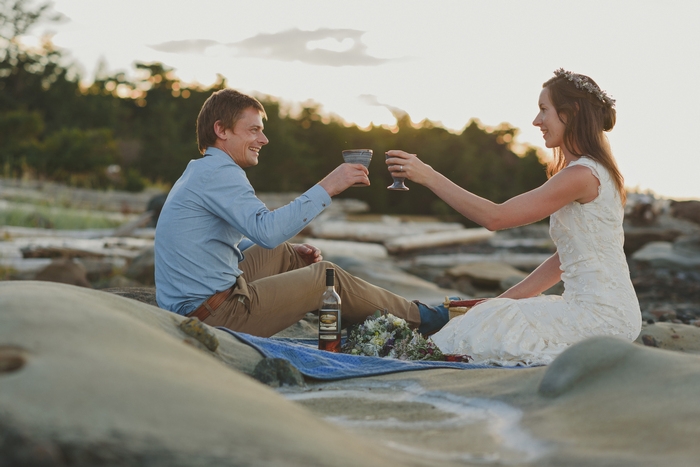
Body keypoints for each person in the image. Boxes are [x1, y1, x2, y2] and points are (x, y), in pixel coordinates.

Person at [385, 69, 642, 366]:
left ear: (570, 114)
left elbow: (496, 217)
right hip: (608, 311)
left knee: (476, 334)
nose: (537, 121)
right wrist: (499, 302)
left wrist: (428, 176)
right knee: (488, 317)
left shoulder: (582, 175)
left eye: (544, 110)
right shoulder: (595, 171)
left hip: (598, 317)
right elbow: (563, 260)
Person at [154, 89, 447, 337]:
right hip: (212, 315)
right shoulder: (221, 173)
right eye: (253, 130)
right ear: (221, 130)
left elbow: (209, 244)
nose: (264, 139)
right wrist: (329, 186)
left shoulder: (202, 169)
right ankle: (422, 319)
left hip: (198, 301)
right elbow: (266, 231)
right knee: (325, 276)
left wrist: (289, 249)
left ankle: (347, 313)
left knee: (284, 252)